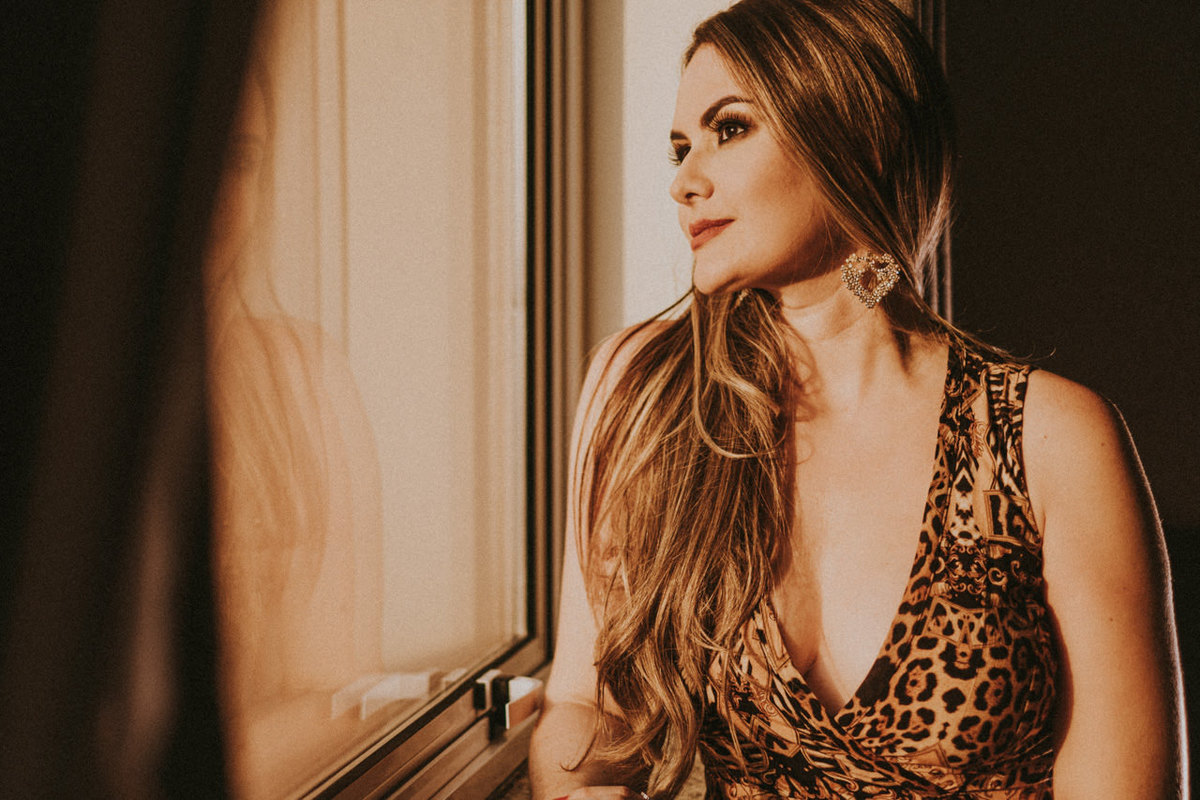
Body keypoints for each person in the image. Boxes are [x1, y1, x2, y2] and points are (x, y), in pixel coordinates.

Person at [528, 0, 1186, 797]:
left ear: (855, 139)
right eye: (679, 147)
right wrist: (579, 788)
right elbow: (583, 702)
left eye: (729, 129)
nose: (683, 181)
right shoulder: (645, 393)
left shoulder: (1049, 438)